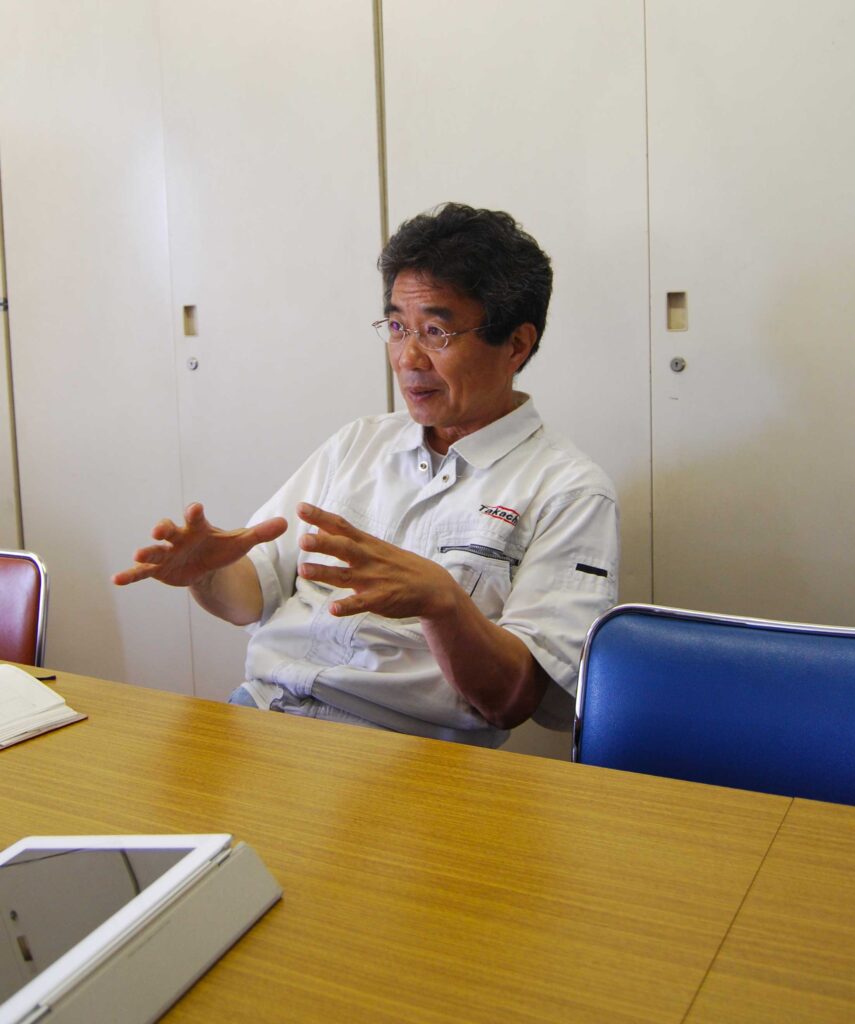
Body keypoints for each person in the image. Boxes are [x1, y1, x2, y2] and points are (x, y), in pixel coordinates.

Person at [114, 203, 618, 747]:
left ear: (516, 344)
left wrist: (442, 603)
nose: (408, 358)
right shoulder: (359, 443)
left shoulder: (568, 491)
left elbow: (512, 700)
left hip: (407, 758)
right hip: (261, 714)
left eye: (435, 332)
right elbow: (250, 597)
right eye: (397, 327)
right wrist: (207, 574)